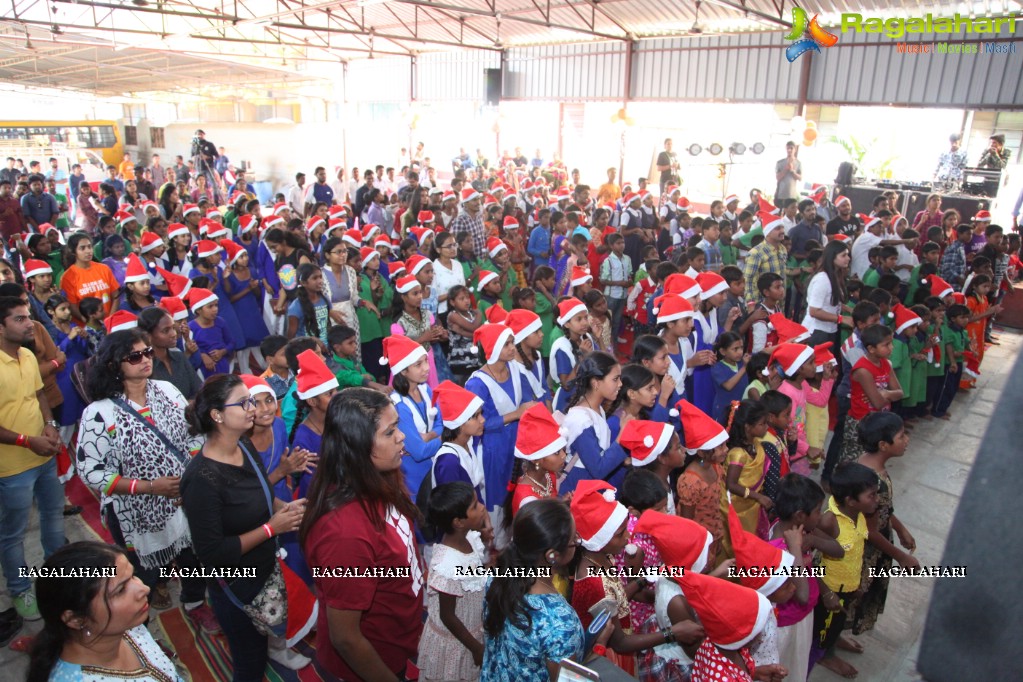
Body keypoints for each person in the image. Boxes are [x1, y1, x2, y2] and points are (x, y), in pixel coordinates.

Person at [77, 330, 219, 629]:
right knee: (143, 574)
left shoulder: (167, 391)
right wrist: (148, 487)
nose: (145, 360)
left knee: (194, 559)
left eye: (147, 352)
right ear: (115, 366)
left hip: (182, 497)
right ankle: (137, 630)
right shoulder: (99, 413)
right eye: (134, 356)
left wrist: (188, 480)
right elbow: (90, 469)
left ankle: (194, 601)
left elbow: (192, 436)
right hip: (134, 511)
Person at [181, 375, 311, 678]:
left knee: (268, 633)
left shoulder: (244, 446)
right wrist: (271, 528)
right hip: (236, 583)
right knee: (250, 660)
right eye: (243, 403)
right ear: (217, 415)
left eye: (251, 400)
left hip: (265, 567)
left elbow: (259, 492)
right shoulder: (201, 478)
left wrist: (283, 508)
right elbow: (212, 552)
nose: (252, 408)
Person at [301, 387, 425, 681]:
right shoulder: (344, 533)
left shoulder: (379, 477)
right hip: (369, 663)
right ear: (358, 445)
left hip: (395, 639)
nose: (401, 436)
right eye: (390, 431)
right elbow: (346, 638)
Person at [26, 542, 184, 682]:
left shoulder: (127, 626)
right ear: (77, 619)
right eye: (121, 590)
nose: (144, 589)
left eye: (133, 576)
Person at [0, 296, 65, 621]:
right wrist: (28, 441)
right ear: (1, 327)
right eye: (19, 319)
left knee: (53, 518)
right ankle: (20, 588)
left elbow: (39, 394)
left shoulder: (26, 354)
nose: (29, 324)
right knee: (12, 532)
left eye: (28, 316)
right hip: (12, 467)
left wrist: (50, 426)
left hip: (44, 455)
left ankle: (57, 578)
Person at [481, 499, 594, 681]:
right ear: (552, 555)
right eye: (574, 539)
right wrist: (600, 644)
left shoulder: (496, 577)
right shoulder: (560, 622)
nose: (577, 542)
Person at [417, 481, 489, 681]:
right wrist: (475, 648)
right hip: (457, 642)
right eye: (475, 506)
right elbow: (448, 616)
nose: (482, 507)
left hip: (470, 630)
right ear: (458, 522)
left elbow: (472, 574)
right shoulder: (447, 566)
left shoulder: (470, 539)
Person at [137, 307, 202, 400]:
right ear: (148, 336)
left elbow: (199, 392)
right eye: (166, 331)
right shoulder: (145, 366)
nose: (173, 334)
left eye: (173, 328)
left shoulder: (179, 357)